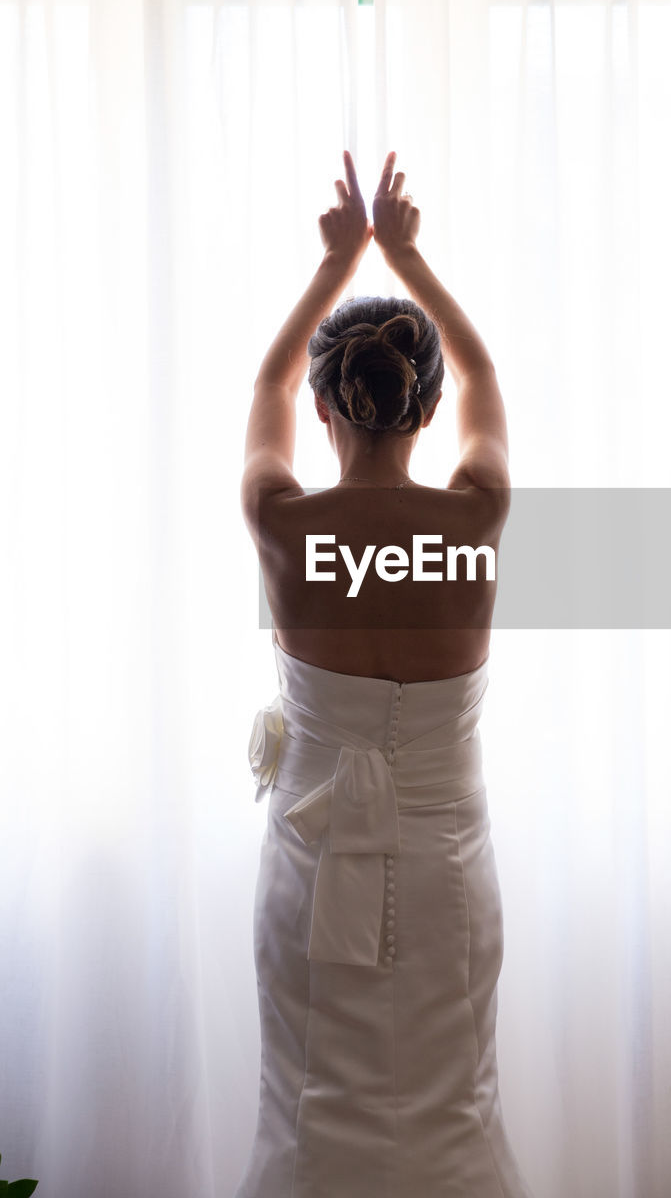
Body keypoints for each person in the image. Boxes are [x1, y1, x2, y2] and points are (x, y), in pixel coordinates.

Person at [235, 152, 532, 1198]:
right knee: (454, 1100)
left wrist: (333, 267)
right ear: (426, 407)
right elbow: (489, 381)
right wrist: (409, 256)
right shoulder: (475, 515)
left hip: (313, 859)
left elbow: (266, 383)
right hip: (448, 863)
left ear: (327, 410)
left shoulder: (283, 522)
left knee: (307, 1102)